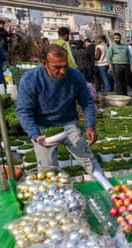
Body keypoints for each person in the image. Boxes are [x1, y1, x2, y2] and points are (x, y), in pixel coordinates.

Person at [15, 44, 104, 178]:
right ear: (44, 63)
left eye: (65, 66)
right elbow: (23, 111)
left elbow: (87, 102)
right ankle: (51, 195)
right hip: (42, 128)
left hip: (69, 123)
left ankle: (106, 187)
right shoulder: (31, 79)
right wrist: (36, 135)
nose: (63, 71)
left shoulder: (75, 76)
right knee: (48, 170)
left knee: (88, 160)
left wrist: (90, 126)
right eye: (57, 67)